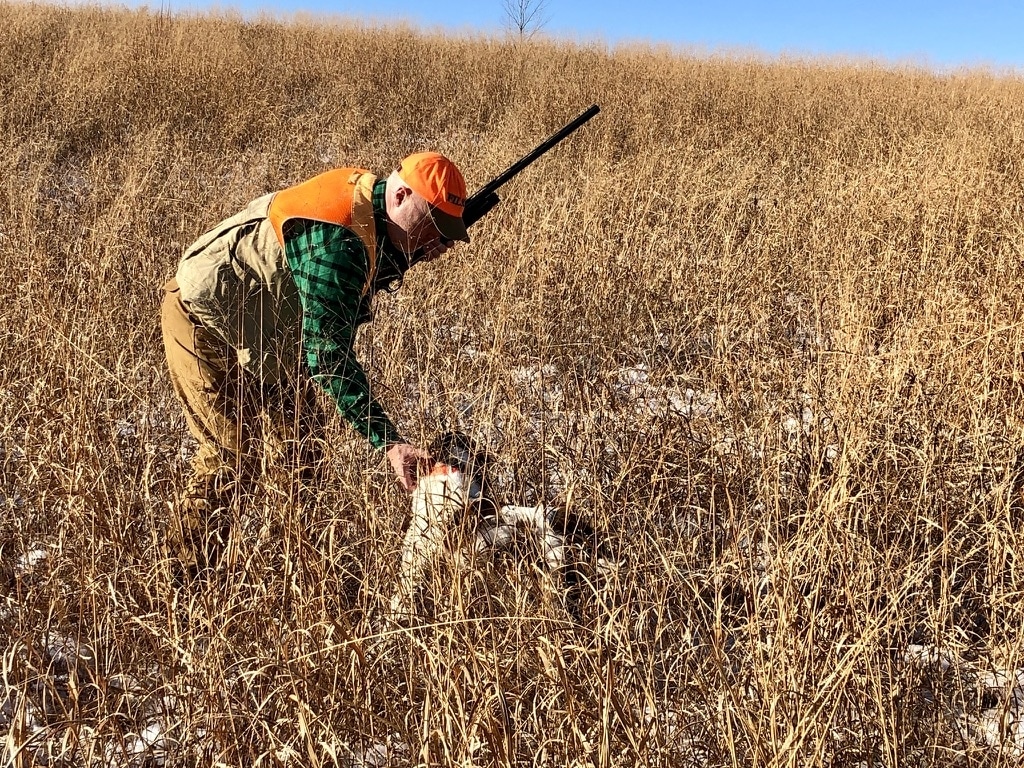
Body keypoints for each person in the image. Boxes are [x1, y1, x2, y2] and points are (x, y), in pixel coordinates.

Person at [159, 152, 469, 567]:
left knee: (304, 452)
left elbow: (342, 298)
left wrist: (405, 253)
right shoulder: (339, 243)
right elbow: (326, 355)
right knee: (230, 461)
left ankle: (300, 571)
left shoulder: (375, 212)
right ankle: (181, 578)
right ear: (400, 194)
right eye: (433, 226)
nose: (440, 245)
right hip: (205, 318)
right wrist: (389, 441)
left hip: (272, 338)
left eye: (447, 236)